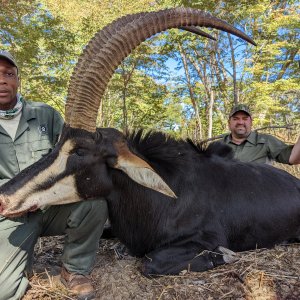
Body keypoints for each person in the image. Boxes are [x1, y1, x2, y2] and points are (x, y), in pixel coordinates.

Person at [0, 50, 108, 300]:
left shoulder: (46, 114)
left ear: (18, 79)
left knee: (94, 203)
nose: (2, 80)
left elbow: (69, 160)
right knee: (5, 292)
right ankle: (19, 262)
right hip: (8, 215)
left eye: (8, 74)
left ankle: (74, 269)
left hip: (49, 206)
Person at [221, 103, 300, 164]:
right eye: (235, 119)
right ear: (229, 123)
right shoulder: (218, 145)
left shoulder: (266, 141)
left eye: (245, 119)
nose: (240, 122)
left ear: (251, 122)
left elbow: (293, 158)